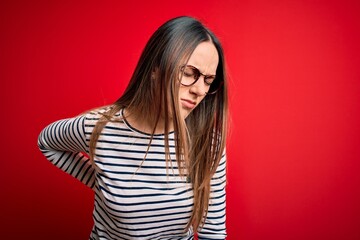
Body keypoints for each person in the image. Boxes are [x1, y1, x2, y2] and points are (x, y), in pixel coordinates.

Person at [38, 16, 228, 239]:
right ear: (155, 68)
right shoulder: (100, 128)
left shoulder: (208, 143)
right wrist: (100, 182)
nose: (199, 90)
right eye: (188, 73)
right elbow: (46, 142)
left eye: (208, 80)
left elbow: (213, 233)